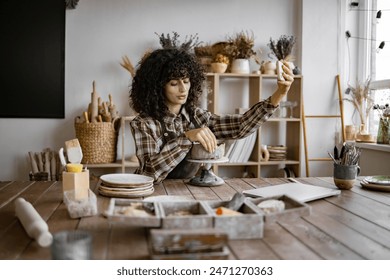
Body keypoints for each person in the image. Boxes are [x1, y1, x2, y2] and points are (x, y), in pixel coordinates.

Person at [129, 48, 294, 183]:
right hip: (152, 193)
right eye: (174, 83)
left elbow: (240, 126)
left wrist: (279, 93)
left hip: (188, 189)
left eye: (186, 81)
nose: (183, 89)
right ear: (157, 88)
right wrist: (187, 138)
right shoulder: (144, 123)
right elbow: (149, 173)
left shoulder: (196, 116)